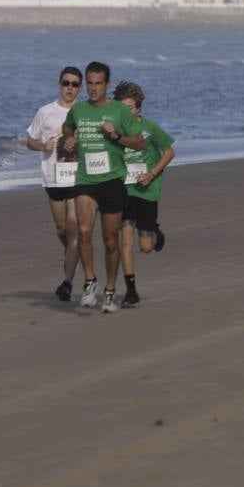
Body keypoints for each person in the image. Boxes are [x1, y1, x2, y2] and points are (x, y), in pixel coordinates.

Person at [61, 61, 145, 313]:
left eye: (98, 83)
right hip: (85, 180)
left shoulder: (120, 111)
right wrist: (68, 138)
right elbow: (67, 126)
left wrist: (116, 137)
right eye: (90, 83)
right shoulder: (79, 110)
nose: (93, 88)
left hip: (112, 181)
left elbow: (139, 143)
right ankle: (89, 282)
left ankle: (110, 289)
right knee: (84, 232)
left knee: (110, 241)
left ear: (107, 85)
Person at [114, 81, 175, 308]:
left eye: (129, 107)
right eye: (121, 107)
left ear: (138, 108)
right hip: (124, 190)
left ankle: (155, 232)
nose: (125, 112)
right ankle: (131, 290)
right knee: (125, 239)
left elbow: (169, 151)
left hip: (147, 190)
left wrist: (152, 173)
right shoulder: (115, 132)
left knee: (146, 247)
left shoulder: (149, 128)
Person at [25, 66, 83, 301]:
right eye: (66, 83)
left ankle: (67, 282)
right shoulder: (46, 112)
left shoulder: (84, 112)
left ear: (80, 88)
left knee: (73, 229)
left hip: (79, 178)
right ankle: (74, 254)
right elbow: (30, 140)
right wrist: (43, 146)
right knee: (63, 231)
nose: (69, 87)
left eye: (75, 84)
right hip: (53, 177)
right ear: (59, 84)